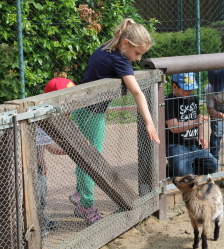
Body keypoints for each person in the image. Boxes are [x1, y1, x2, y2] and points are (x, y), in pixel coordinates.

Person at [68, 18, 160, 225]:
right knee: (90, 160)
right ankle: (85, 204)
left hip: (83, 110)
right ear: (125, 43)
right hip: (92, 114)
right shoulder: (120, 60)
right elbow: (136, 91)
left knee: (85, 153)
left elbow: (126, 35)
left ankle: (79, 192)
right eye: (137, 54)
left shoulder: (107, 47)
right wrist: (149, 121)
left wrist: (133, 27)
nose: (137, 60)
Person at [37, 77, 75, 235]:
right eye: (67, 104)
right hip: (18, 164)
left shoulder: (48, 117)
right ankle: (38, 225)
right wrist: (72, 149)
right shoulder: (42, 118)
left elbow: (41, 146)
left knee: (41, 187)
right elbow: (51, 148)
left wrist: (41, 160)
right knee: (38, 189)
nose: (71, 108)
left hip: (33, 162)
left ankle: (41, 218)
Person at [165, 72, 218, 177]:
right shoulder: (169, 101)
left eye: (192, 88)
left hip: (194, 144)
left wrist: (201, 136)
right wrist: (195, 122)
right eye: (186, 89)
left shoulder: (194, 98)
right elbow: (174, 127)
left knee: (213, 166)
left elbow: (198, 118)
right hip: (176, 145)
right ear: (175, 86)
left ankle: (186, 166)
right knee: (185, 175)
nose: (190, 91)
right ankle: (175, 168)